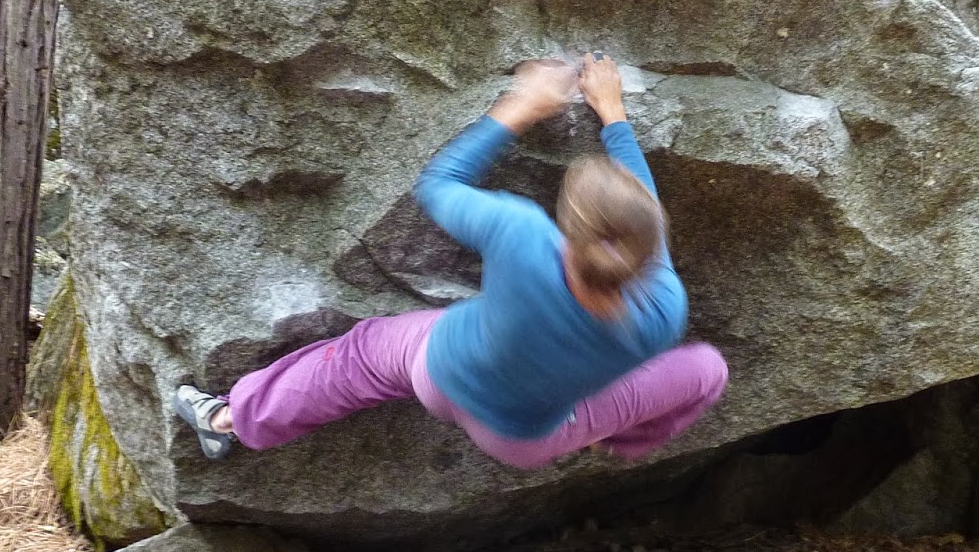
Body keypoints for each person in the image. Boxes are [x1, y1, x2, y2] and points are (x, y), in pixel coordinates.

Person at [173, 53, 728, 470]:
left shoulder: (523, 236)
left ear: (570, 229)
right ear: (647, 250)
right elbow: (644, 222)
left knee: (356, 360)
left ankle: (227, 420)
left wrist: (521, 107)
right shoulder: (662, 311)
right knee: (708, 370)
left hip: (441, 372)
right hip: (526, 438)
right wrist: (615, 116)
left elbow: (438, 184)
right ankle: (608, 440)